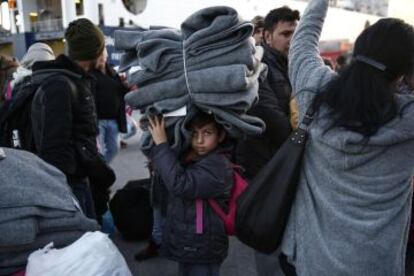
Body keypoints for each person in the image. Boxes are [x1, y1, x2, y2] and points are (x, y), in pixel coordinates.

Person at [280, 0, 414, 275]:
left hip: (309, 260)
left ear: (358, 49)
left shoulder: (314, 90)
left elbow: (302, 42)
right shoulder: (408, 120)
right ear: (403, 71)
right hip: (376, 265)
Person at [236, 6, 300, 276]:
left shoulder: (295, 66)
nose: (292, 39)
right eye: (286, 33)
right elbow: (276, 121)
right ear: (267, 35)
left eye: (296, 33)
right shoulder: (259, 68)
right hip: (265, 168)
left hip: (287, 164)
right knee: (269, 241)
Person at [31, 18, 107, 219]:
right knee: (82, 243)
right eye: (103, 47)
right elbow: (55, 148)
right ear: (94, 51)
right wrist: (64, 196)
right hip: (70, 186)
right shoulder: (61, 86)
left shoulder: (76, 80)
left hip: (79, 179)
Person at [147, 112, 233, 276]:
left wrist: (162, 144)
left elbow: (179, 184)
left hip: (203, 246)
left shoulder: (218, 165)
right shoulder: (193, 156)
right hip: (192, 242)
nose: (199, 140)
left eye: (207, 133)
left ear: (221, 135)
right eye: (194, 133)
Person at [91, 48, 128, 163]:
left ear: (106, 57)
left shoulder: (113, 74)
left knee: (114, 149)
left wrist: (125, 85)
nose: (100, 59)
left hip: (113, 120)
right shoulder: (91, 75)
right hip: (98, 121)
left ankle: (101, 171)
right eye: (98, 57)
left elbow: (122, 92)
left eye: (102, 56)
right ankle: (100, 174)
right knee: (99, 152)